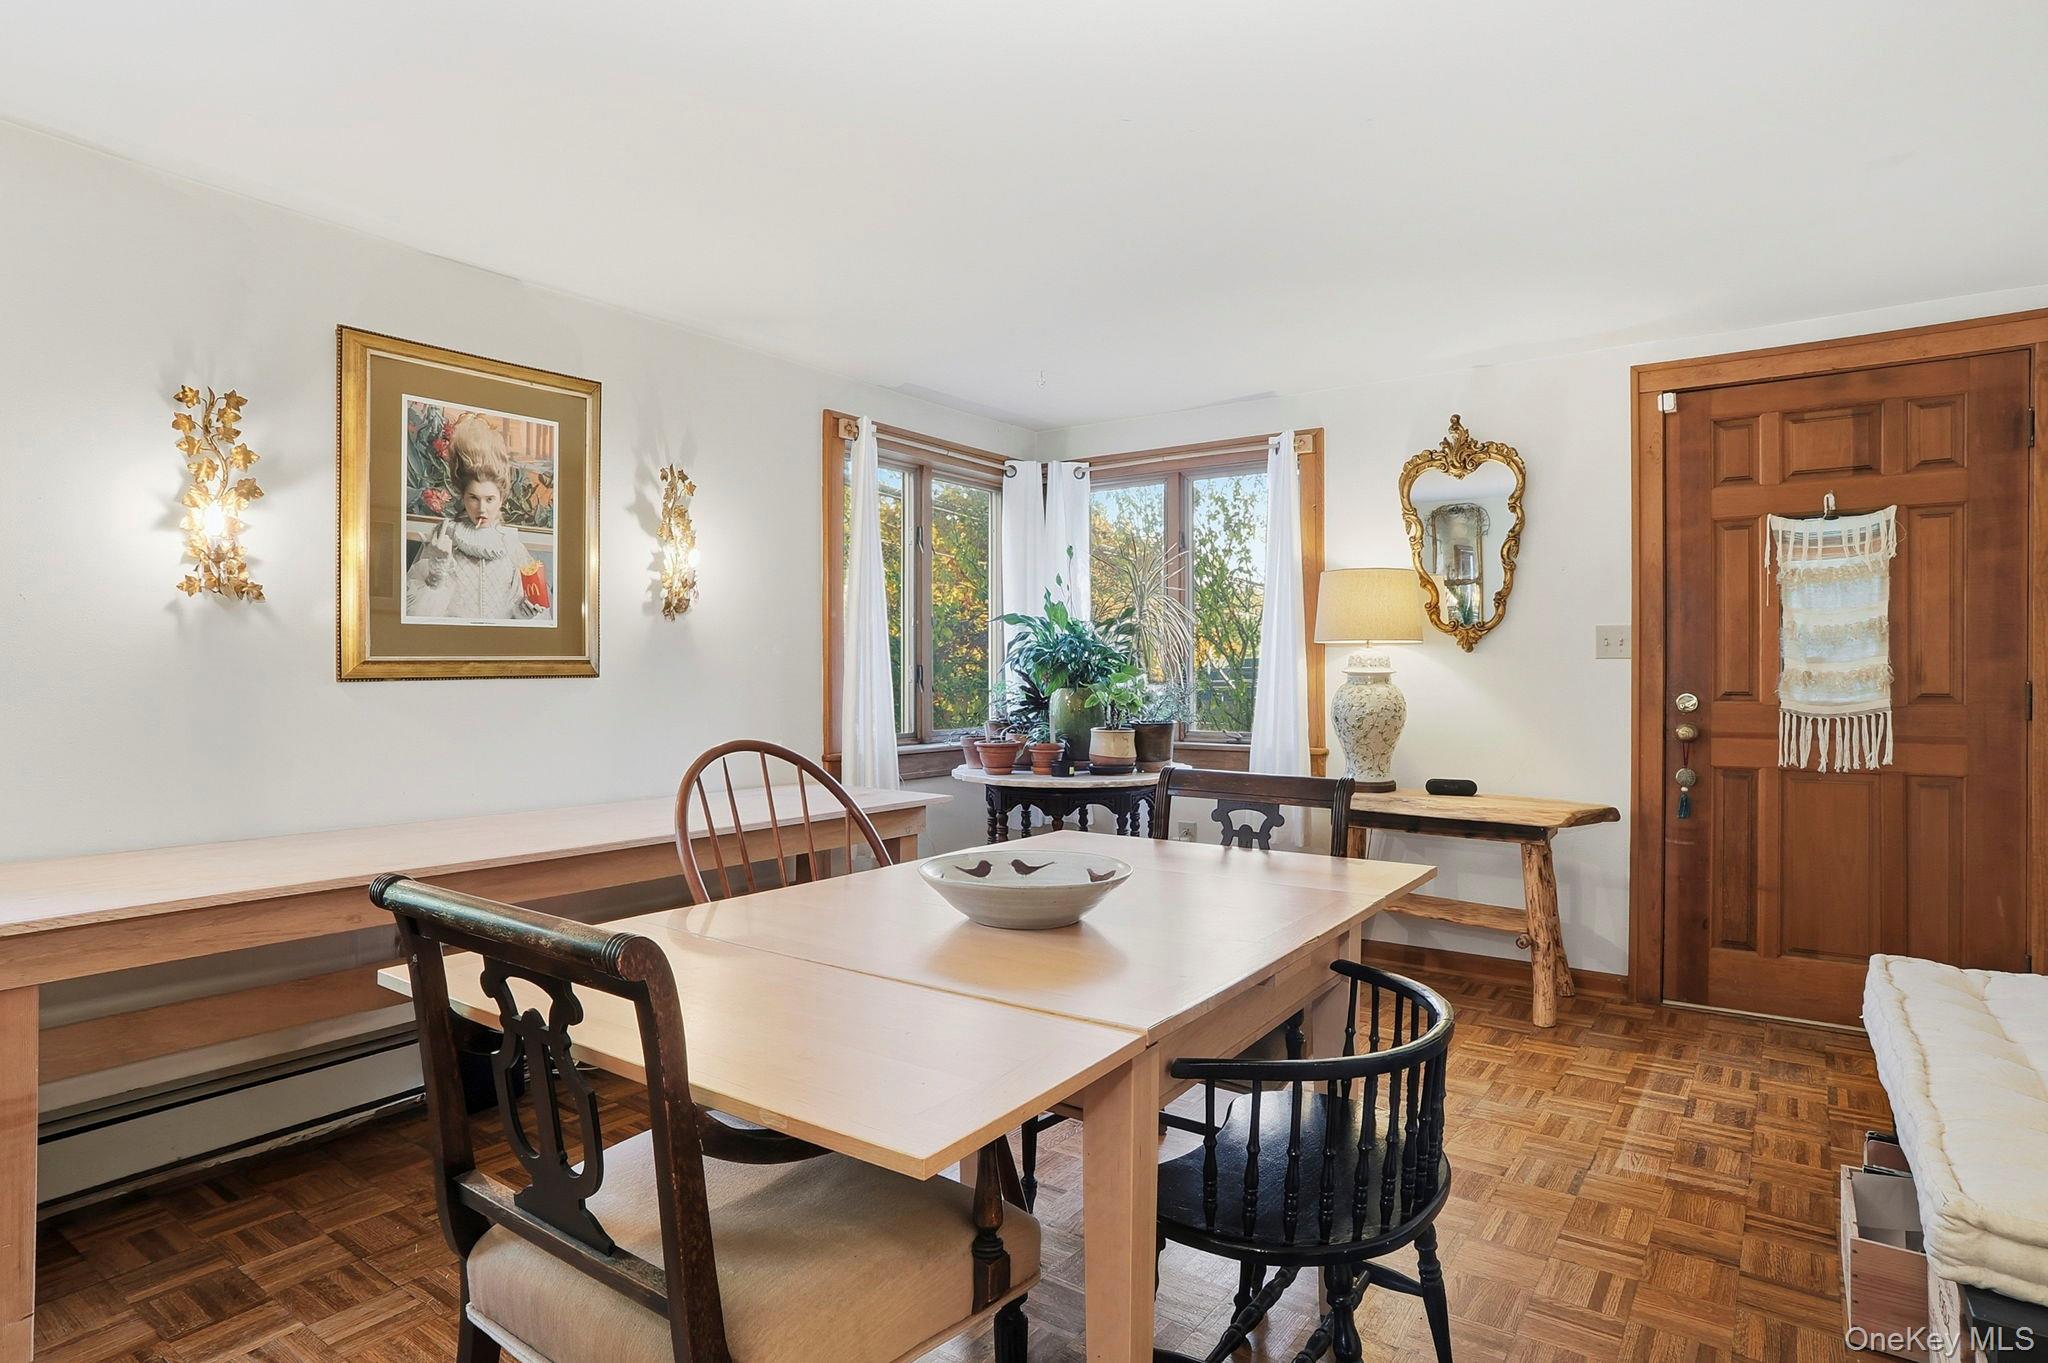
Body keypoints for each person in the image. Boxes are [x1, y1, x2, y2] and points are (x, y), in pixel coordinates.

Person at [405, 412, 549, 621]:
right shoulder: (445, 536)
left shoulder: (512, 546)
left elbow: (526, 613)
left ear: (501, 498)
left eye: (489, 499)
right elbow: (417, 616)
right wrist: (436, 574)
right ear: (462, 497)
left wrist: (523, 613)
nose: (482, 509)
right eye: (473, 498)